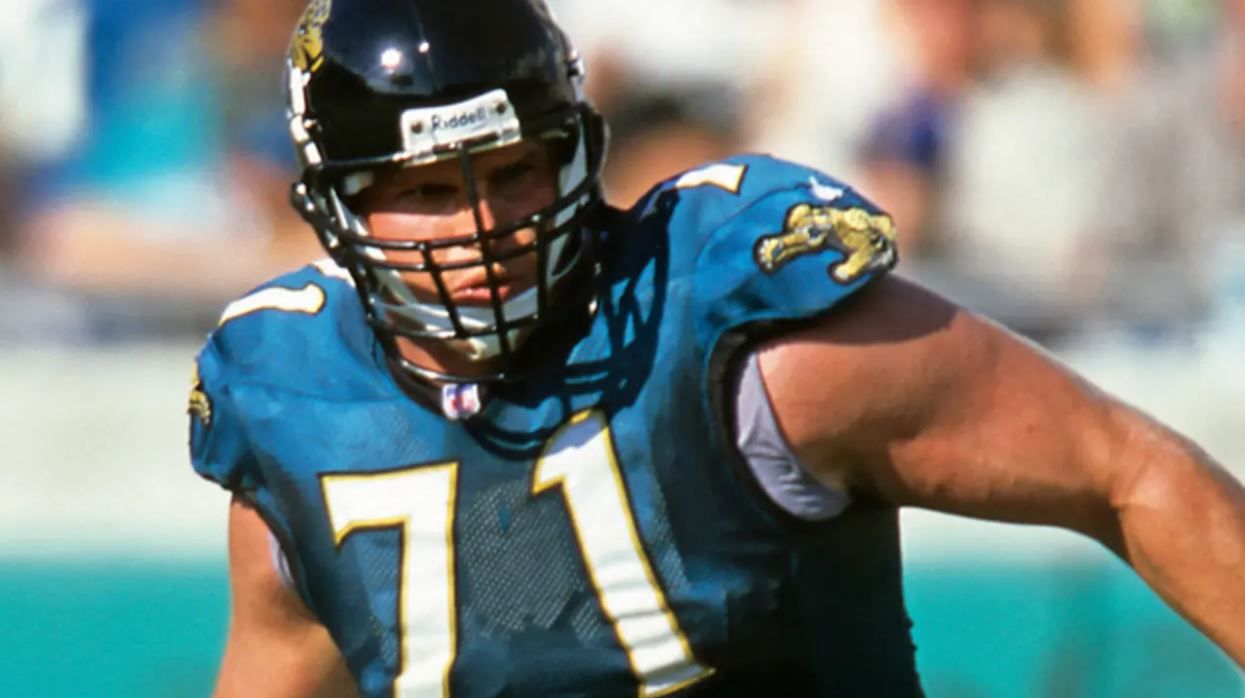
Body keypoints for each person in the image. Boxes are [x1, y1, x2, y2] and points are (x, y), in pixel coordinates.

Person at [188, 1, 1245, 695]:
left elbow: (1127, 473)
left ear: (578, 149)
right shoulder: (300, 413)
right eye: (424, 192)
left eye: (516, 170)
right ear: (336, 212)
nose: (484, 226)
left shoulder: (750, 339)